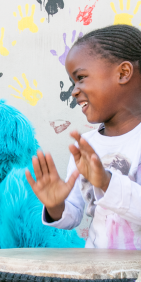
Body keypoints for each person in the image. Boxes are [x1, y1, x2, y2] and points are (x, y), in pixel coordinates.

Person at [26, 24, 141, 249]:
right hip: (95, 271)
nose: (74, 90)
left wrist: (106, 182)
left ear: (123, 73)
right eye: (72, 82)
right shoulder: (86, 145)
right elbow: (73, 216)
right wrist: (55, 205)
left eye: (80, 77)